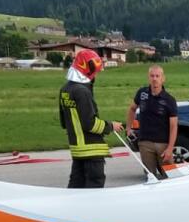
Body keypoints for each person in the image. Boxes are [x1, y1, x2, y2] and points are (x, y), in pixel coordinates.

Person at [59, 48, 122, 189]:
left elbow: (64, 122)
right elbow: (90, 123)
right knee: (94, 189)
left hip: (77, 150)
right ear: (88, 70)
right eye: (95, 72)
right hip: (92, 150)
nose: (96, 76)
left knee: (76, 188)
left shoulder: (65, 90)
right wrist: (111, 126)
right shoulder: (82, 91)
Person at [126, 65, 178, 180]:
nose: (154, 78)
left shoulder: (169, 99)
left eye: (157, 76)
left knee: (170, 177)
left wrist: (170, 148)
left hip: (163, 145)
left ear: (163, 78)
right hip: (145, 143)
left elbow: (174, 126)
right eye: (152, 76)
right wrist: (128, 128)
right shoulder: (142, 93)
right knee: (150, 178)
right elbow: (132, 109)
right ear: (148, 78)